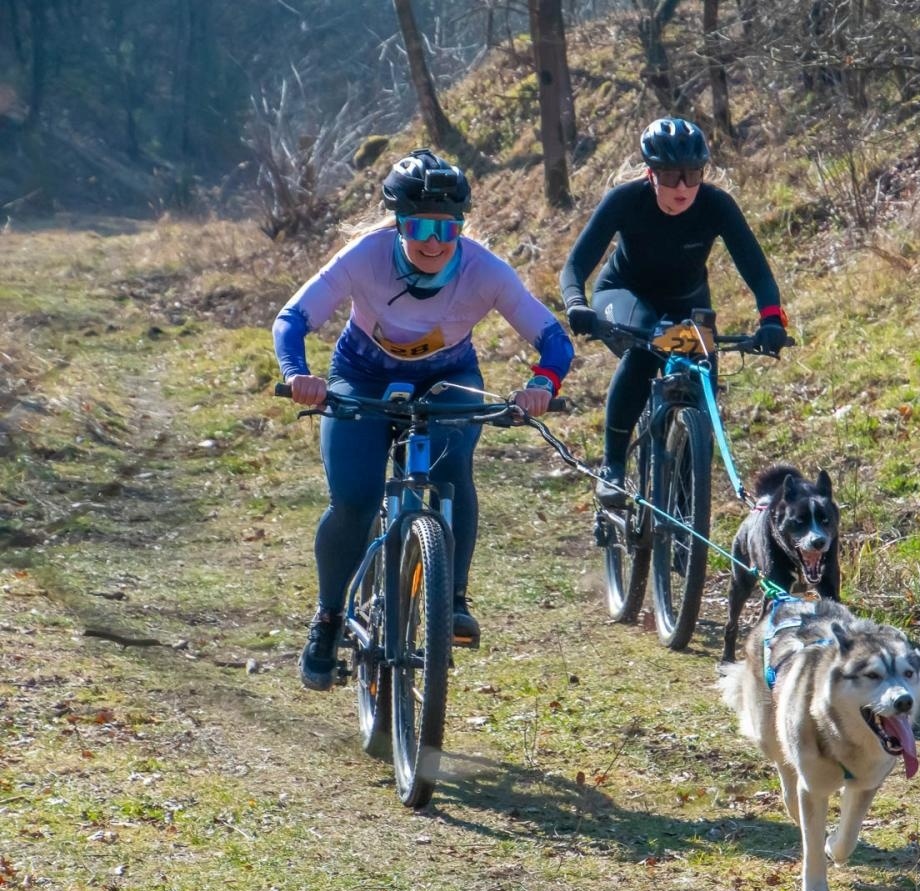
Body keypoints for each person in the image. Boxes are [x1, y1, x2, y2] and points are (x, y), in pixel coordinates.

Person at [274, 148, 574, 691]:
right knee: (355, 500)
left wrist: (541, 385)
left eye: (447, 228)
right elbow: (292, 319)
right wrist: (297, 374)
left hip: (448, 379)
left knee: (451, 472)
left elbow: (553, 340)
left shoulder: (485, 271)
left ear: (461, 226)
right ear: (398, 224)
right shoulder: (364, 257)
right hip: (361, 376)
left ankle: (452, 598)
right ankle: (328, 618)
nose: (434, 242)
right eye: (419, 227)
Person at [559, 117, 791, 506]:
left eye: (692, 175)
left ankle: (686, 509)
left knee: (701, 384)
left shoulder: (717, 205)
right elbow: (575, 266)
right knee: (645, 350)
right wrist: (576, 303)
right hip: (625, 294)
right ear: (651, 174)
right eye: (670, 176)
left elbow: (758, 272)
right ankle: (613, 466)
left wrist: (770, 319)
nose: (682, 187)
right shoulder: (625, 200)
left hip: (687, 300)